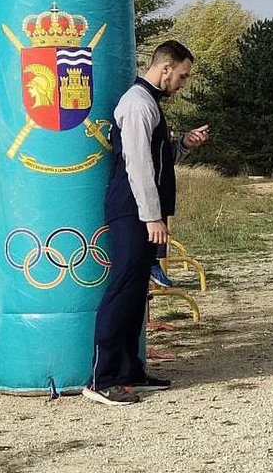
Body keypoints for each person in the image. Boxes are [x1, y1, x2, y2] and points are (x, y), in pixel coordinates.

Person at [85, 41, 210, 406]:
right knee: (122, 289)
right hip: (132, 210)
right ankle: (101, 378)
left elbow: (157, 157)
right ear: (165, 68)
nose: (184, 82)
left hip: (139, 210)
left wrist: (184, 143)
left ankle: (128, 371)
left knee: (136, 292)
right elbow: (138, 165)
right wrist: (152, 216)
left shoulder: (150, 104)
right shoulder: (138, 104)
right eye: (183, 75)